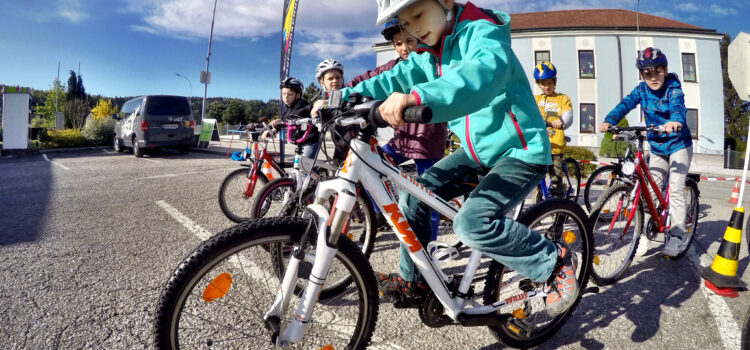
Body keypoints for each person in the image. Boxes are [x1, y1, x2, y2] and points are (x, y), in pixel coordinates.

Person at [339, 0, 579, 316]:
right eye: (406, 22)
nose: (413, 28)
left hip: (519, 151)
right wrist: (338, 98)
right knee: (414, 197)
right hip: (476, 152)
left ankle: (553, 261)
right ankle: (417, 282)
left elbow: (478, 75)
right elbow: (396, 76)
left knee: (471, 223)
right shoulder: (431, 54)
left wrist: (417, 97)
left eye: (418, 14)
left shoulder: (483, 33)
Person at [348, 19, 447, 239]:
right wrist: (337, 94)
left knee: (426, 199)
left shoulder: (430, 64)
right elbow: (367, 78)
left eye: (409, 41)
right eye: (398, 43)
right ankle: (382, 213)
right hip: (401, 142)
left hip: (427, 143)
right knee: (367, 165)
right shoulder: (392, 68)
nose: (404, 48)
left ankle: (428, 246)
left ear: (420, 39)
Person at [598, 47, 693, 257]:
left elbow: (678, 107)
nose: (653, 77)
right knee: (651, 192)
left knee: (676, 189)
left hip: (679, 145)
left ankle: (677, 236)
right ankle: (642, 235)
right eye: (647, 73)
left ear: (665, 70)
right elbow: (626, 104)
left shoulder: (673, 89)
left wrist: (676, 121)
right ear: (642, 75)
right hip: (658, 147)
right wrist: (610, 120)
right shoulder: (641, 90)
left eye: (657, 71)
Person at [533, 62, 573, 198]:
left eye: (549, 83)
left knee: (555, 179)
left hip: (555, 146)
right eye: (543, 83)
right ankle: (537, 204)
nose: (546, 86)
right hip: (538, 146)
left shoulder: (562, 98)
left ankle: (560, 210)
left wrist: (560, 121)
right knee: (536, 179)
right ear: (538, 84)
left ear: (554, 82)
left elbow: (568, 115)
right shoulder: (535, 99)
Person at [265, 77, 318, 159]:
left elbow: (294, 116)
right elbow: (283, 122)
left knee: (303, 169)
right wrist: (273, 130)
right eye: (283, 94)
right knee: (297, 166)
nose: (286, 97)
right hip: (300, 142)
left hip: (310, 142)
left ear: (297, 95)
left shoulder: (302, 104)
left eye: (289, 94)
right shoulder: (287, 108)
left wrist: (279, 121)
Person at [315, 59, 351, 163]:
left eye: (338, 77)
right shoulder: (323, 100)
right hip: (340, 147)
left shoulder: (349, 95)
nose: (335, 81)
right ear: (322, 82)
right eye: (330, 78)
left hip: (357, 146)